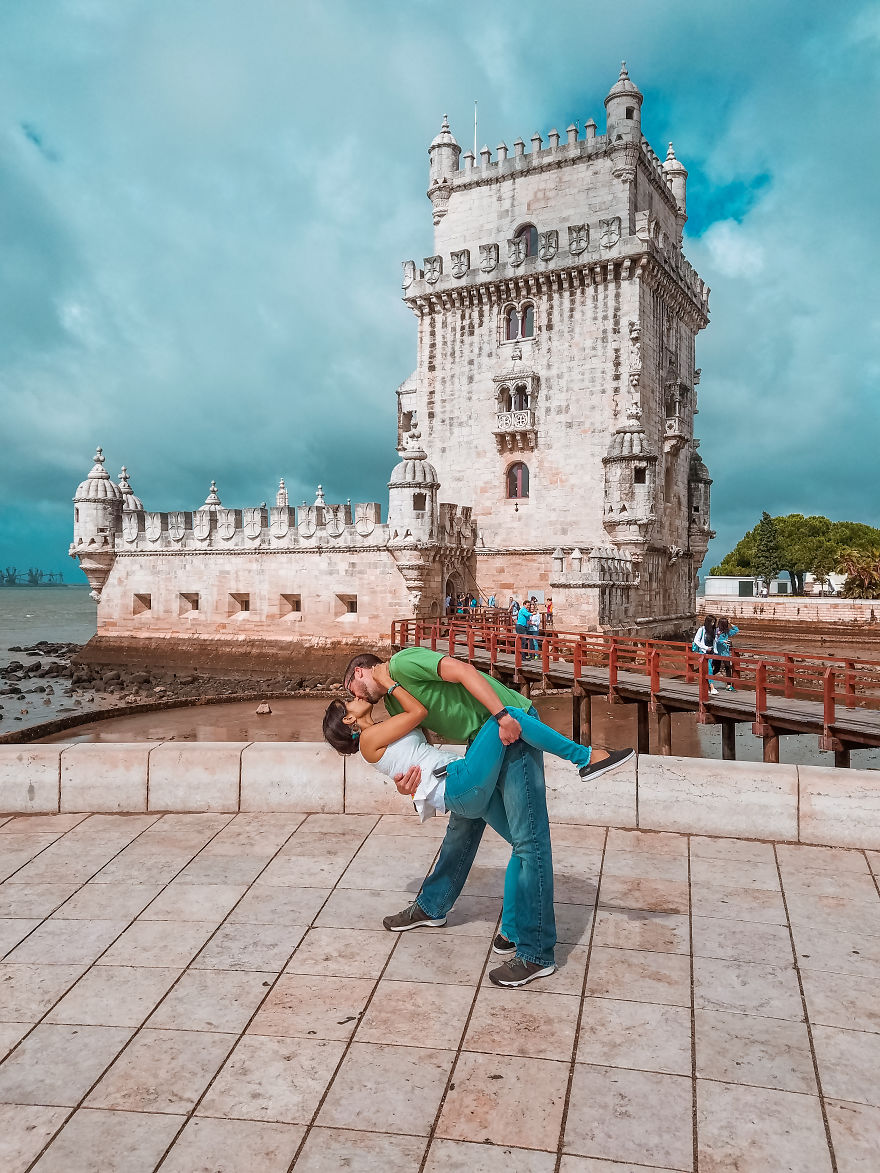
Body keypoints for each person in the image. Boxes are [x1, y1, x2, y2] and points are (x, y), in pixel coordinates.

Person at [340, 648, 633, 988]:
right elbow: (419, 751)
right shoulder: (393, 702)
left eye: (350, 690)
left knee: (528, 843)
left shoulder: (402, 663)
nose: (355, 697)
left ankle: (536, 952)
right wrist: (409, 786)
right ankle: (447, 910)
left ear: (359, 672)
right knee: (465, 831)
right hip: (480, 745)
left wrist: (502, 717)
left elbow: (465, 671)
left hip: (506, 725)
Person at [323, 682, 629, 823]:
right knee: (507, 715)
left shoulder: (379, 732)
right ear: (348, 720)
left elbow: (415, 743)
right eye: (348, 703)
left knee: (524, 845)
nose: (354, 698)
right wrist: (390, 684)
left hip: (455, 785)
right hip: (456, 782)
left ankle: (519, 921)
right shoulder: (368, 740)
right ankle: (584, 758)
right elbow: (417, 712)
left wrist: (406, 788)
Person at [712, 617, 738, 693]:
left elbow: (736, 630)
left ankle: (729, 685)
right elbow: (716, 640)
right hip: (717, 653)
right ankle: (708, 680)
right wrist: (723, 641)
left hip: (725, 653)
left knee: (728, 667)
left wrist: (731, 624)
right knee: (716, 668)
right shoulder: (717, 631)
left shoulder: (727, 631)